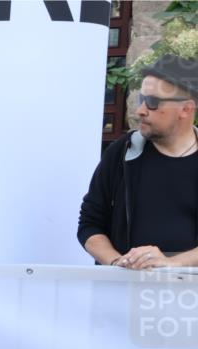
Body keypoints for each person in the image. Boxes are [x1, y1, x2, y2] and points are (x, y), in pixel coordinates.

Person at [77, 54, 198, 270]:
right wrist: (118, 263)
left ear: (186, 109)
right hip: (121, 295)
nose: (140, 110)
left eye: (152, 102)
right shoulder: (122, 152)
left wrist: (171, 265)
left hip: (189, 297)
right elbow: (89, 224)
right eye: (141, 99)